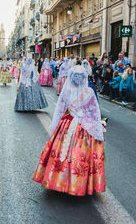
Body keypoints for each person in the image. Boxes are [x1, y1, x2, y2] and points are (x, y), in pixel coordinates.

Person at [33, 65, 105, 196]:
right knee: (80, 156)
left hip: (66, 124)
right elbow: (95, 113)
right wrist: (97, 128)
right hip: (84, 128)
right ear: (85, 78)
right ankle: (77, 184)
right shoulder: (89, 92)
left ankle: (59, 181)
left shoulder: (66, 92)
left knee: (61, 153)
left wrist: (55, 127)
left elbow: (60, 111)